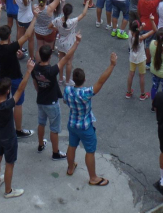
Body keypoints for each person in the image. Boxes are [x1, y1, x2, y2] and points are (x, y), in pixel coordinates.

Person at [63, 51, 118, 186]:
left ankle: (70, 168)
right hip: (85, 126)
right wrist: (112, 65)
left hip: (72, 124)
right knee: (90, 151)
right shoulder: (85, 93)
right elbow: (101, 80)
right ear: (84, 79)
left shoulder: (68, 90)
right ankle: (93, 177)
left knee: (72, 146)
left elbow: (65, 101)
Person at [0, 49, 36, 198]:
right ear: (8, 90)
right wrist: (28, 71)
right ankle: (8, 191)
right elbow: (21, 88)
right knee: (9, 163)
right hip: (8, 137)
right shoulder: (8, 104)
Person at [33, 35, 81, 161]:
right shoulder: (51, 70)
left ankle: (40, 144)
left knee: (41, 123)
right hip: (52, 102)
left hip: (41, 100)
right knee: (54, 129)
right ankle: (55, 152)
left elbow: (35, 84)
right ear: (50, 57)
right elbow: (66, 57)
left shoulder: (35, 68)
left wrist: (40, 91)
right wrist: (76, 43)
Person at [0, 16, 39, 137]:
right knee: (18, 103)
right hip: (15, 77)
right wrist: (34, 17)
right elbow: (27, 35)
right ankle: (18, 130)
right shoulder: (12, 47)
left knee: (4, 101)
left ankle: (4, 126)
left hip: (3, 77)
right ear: (9, 36)